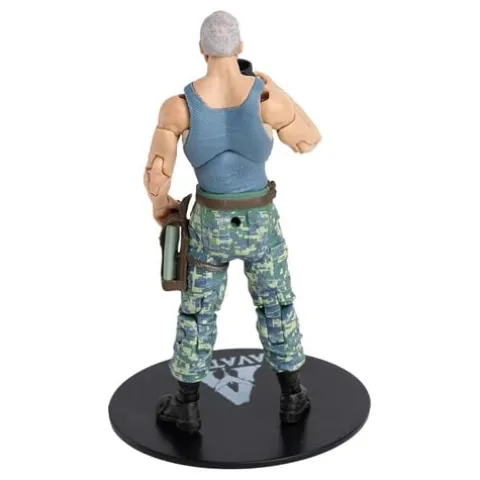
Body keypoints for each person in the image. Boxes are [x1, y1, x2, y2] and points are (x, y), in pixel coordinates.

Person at [144, 10, 321, 433]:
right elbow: (308, 140)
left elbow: (157, 174)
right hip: (260, 220)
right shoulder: (265, 98)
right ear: (240, 47)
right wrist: (274, 89)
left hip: (210, 222)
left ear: (201, 49)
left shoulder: (179, 107)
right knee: (276, 302)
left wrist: (162, 209)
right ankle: (292, 396)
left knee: (198, 311)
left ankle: (187, 406)